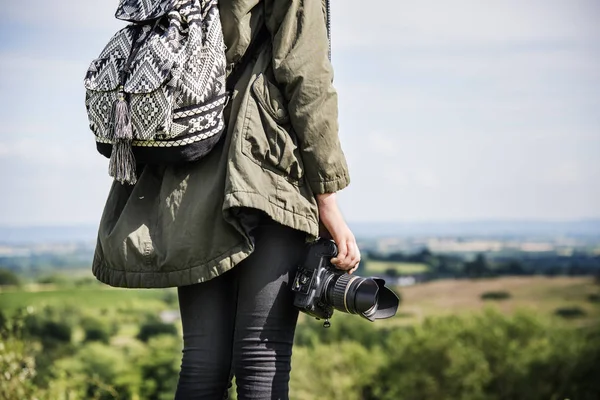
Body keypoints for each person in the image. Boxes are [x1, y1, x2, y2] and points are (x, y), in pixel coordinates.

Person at [91, 0, 359, 398]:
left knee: (202, 361)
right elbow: (307, 75)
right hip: (262, 168)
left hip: (188, 164)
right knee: (261, 358)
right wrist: (327, 199)